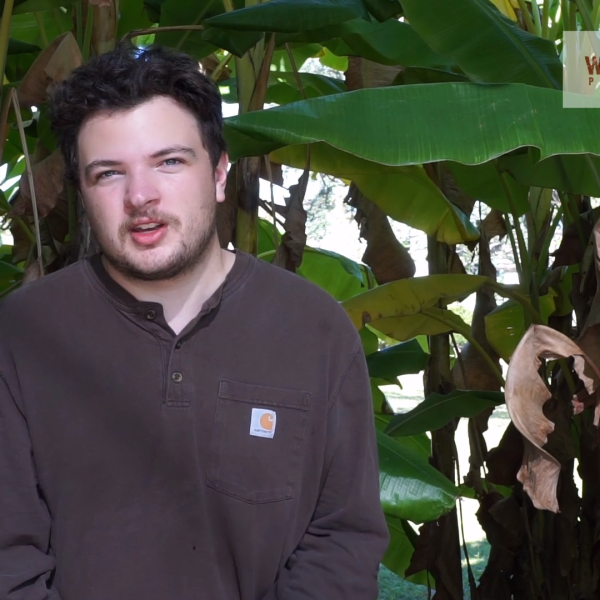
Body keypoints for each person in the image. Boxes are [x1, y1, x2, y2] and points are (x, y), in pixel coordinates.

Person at [0, 43, 389, 599]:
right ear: (82, 193)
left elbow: (341, 541)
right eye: (109, 173)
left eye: (170, 161)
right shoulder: (22, 333)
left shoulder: (313, 329)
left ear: (220, 172)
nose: (141, 196)